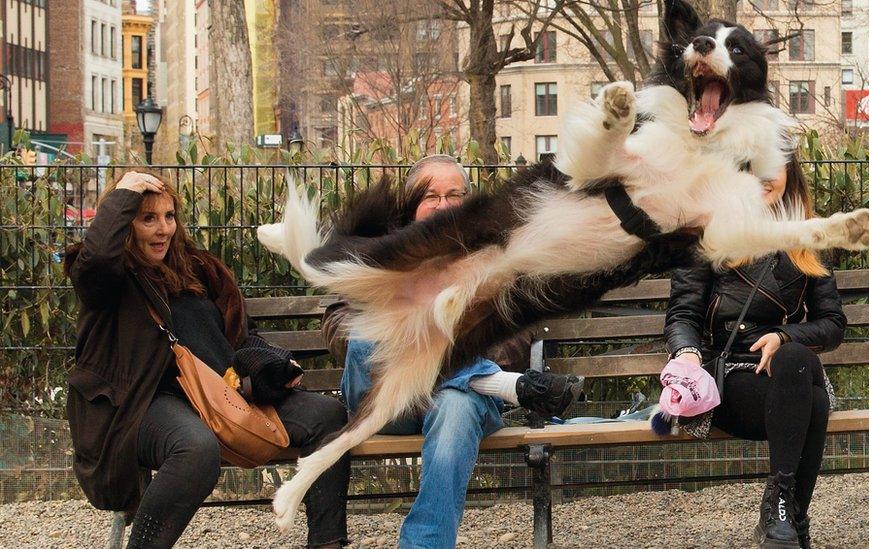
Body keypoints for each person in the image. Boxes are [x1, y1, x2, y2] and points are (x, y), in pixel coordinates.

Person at [65, 171, 350, 549]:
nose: (162, 229)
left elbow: (241, 337)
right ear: (123, 223)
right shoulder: (109, 279)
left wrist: (271, 368)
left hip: (224, 395)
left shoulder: (199, 269)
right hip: (147, 403)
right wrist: (124, 193)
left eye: (169, 216)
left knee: (329, 417)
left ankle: (327, 543)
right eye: (147, 218)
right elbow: (98, 256)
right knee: (196, 449)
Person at [322, 155, 581, 548]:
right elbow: (339, 323)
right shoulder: (379, 250)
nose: (443, 206)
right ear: (412, 204)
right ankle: (500, 384)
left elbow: (514, 334)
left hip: (452, 399)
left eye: (453, 195)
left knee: (457, 406)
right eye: (431, 196)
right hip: (383, 398)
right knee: (365, 332)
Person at [664, 157, 844, 549]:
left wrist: (783, 335)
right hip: (728, 379)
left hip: (788, 375)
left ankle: (778, 513)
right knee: (813, 401)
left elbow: (832, 324)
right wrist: (688, 354)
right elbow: (682, 314)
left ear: (788, 173)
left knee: (797, 359)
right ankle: (790, 518)